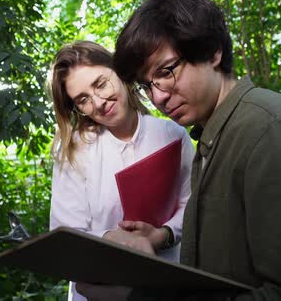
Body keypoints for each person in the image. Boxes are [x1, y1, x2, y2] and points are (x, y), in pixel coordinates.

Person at [76, 0, 281, 300]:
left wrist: (141, 299)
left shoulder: (279, 132)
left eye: (166, 71)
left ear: (213, 51)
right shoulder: (214, 141)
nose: (158, 97)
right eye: (148, 85)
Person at [48, 41, 195, 301]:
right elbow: (65, 237)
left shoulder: (173, 134)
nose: (99, 102)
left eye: (100, 84)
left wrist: (162, 235)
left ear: (118, 71)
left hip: (165, 287)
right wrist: (111, 238)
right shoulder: (74, 151)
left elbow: (192, 205)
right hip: (98, 292)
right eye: (83, 99)